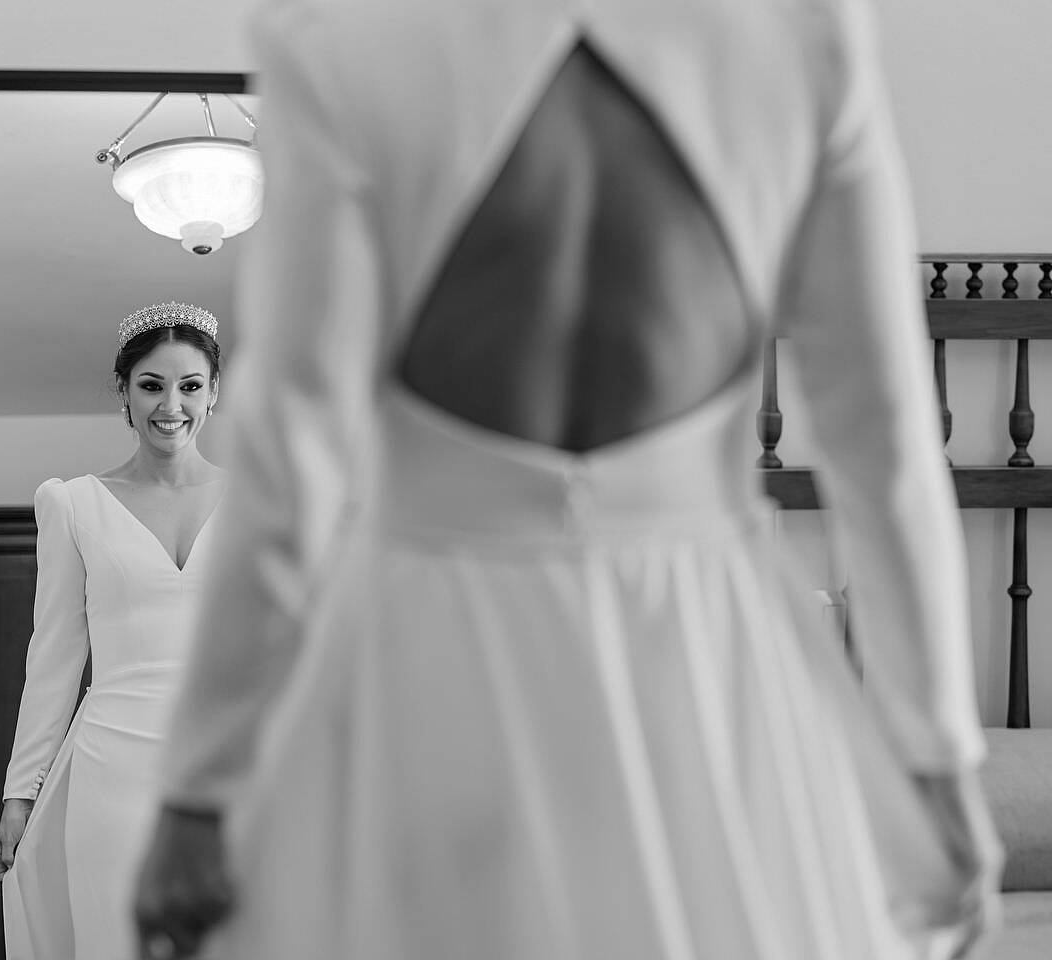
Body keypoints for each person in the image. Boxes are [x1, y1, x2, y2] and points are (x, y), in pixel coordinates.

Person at [134, 1, 1004, 959]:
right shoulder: (805, 34)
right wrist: (940, 764)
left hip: (433, 645)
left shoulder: (343, 45)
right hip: (699, 648)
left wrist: (199, 789)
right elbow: (883, 441)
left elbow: (289, 465)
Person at [0, 302, 227, 959]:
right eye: (151, 385)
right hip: (112, 765)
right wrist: (19, 794)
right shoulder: (74, 505)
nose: (171, 406)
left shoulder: (255, 501)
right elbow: (54, 659)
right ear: (124, 391)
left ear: (213, 393)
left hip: (223, 762)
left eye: (190, 386)